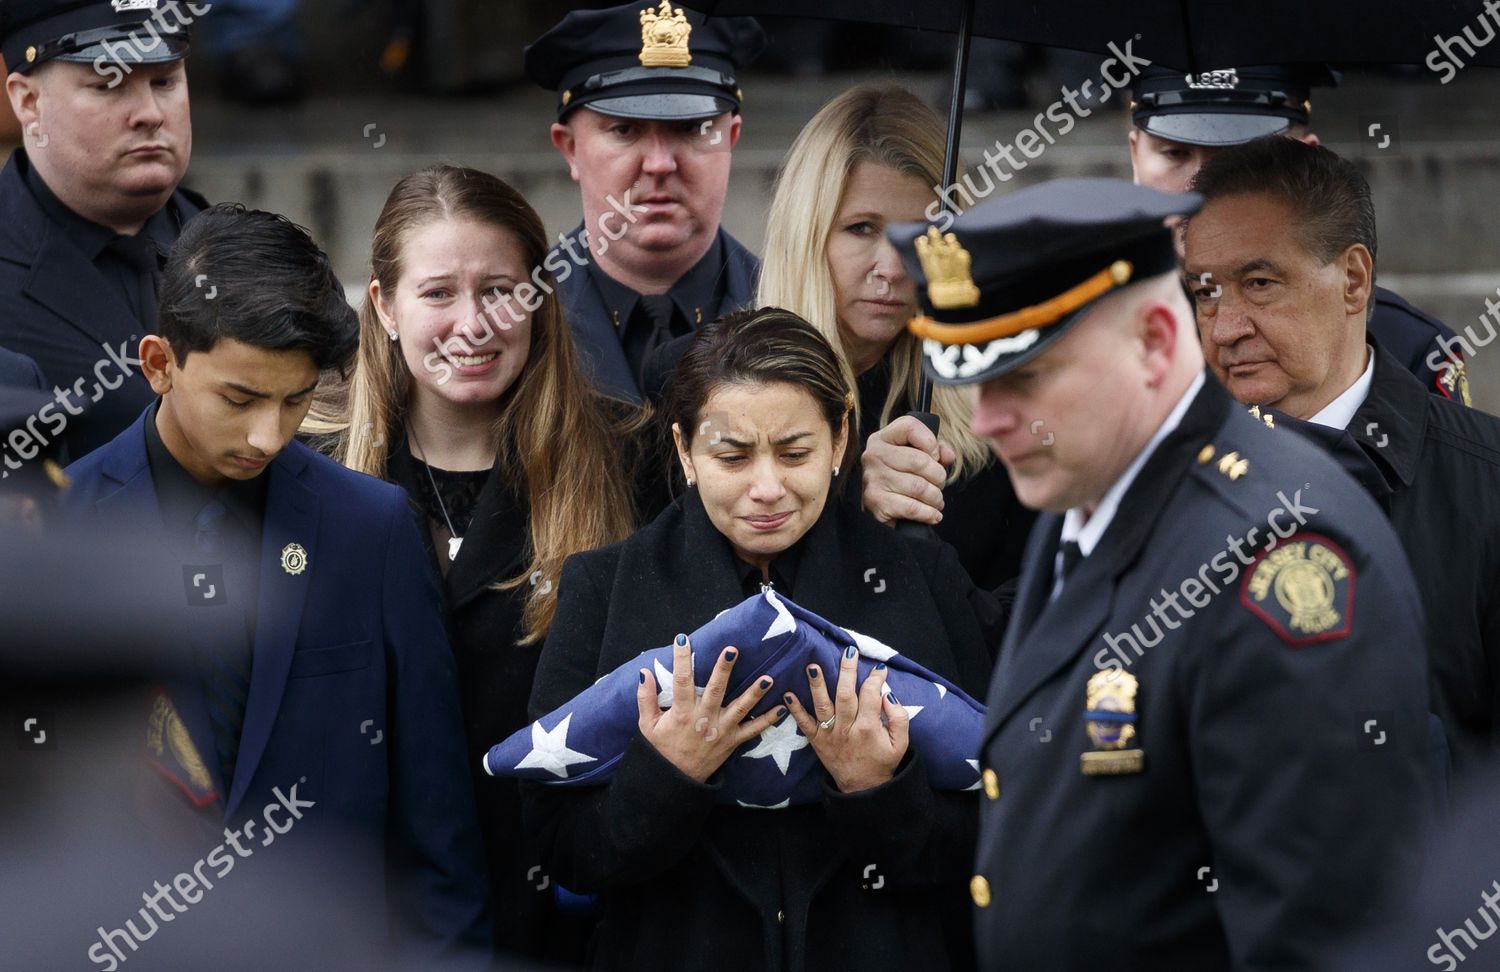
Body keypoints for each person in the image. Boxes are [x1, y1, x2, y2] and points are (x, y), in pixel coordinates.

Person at [887, 179, 1433, 968]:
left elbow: (1323, 937)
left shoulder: (1273, 560)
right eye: (976, 382)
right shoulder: (1087, 487)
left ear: (1151, 340)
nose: (994, 419)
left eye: (1027, 379)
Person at [58, 203, 491, 962]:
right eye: (240, 399)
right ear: (158, 363)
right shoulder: (59, 534)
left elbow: (439, 832)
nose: (269, 435)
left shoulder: (372, 530)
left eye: (295, 401)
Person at [524, 308, 1000, 971]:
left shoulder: (922, 576)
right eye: (733, 455)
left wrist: (877, 793)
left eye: (795, 452)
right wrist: (669, 777)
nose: (767, 488)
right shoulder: (605, 588)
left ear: (840, 443)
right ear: (686, 451)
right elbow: (557, 845)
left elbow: (993, 833)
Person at [307, 163, 647, 960]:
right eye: (437, 294)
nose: (474, 322)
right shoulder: (304, 469)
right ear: (384, 307)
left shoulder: (633, 455)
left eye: (500, 289)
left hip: (569, 918)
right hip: (370, 919)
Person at [1184, 136, 1500, 791]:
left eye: (1260, 283)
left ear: (1353, 280)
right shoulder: (1149, 488)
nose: (1223, 328)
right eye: (1206, 292)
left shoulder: (1485, 487)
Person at [757, 83, 1034, 590]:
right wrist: (847, 503)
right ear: (805, 232)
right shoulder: (711, 386)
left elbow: (1019, 609)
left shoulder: (998, 404)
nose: (891, 268)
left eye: (920, 235)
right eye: (862, 228)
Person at [1127, 64, 1470, 402]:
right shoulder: (1095, 329)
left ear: (1308, 159)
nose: (1199, 188)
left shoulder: (1406, 345)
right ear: (1135, 158)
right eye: (1174, 153)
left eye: (1235, 160)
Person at [523, 1, 765, 403]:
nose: (659, 163)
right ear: (570, 148)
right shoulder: (515, 328)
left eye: (691, 129)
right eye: (623, 130)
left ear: (731, 138)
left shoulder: (798, 306)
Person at [0, 0, 209, 458]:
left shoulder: (246, 253)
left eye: (164, 81)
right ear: (28, 101)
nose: (149, 113)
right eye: (108, 85)